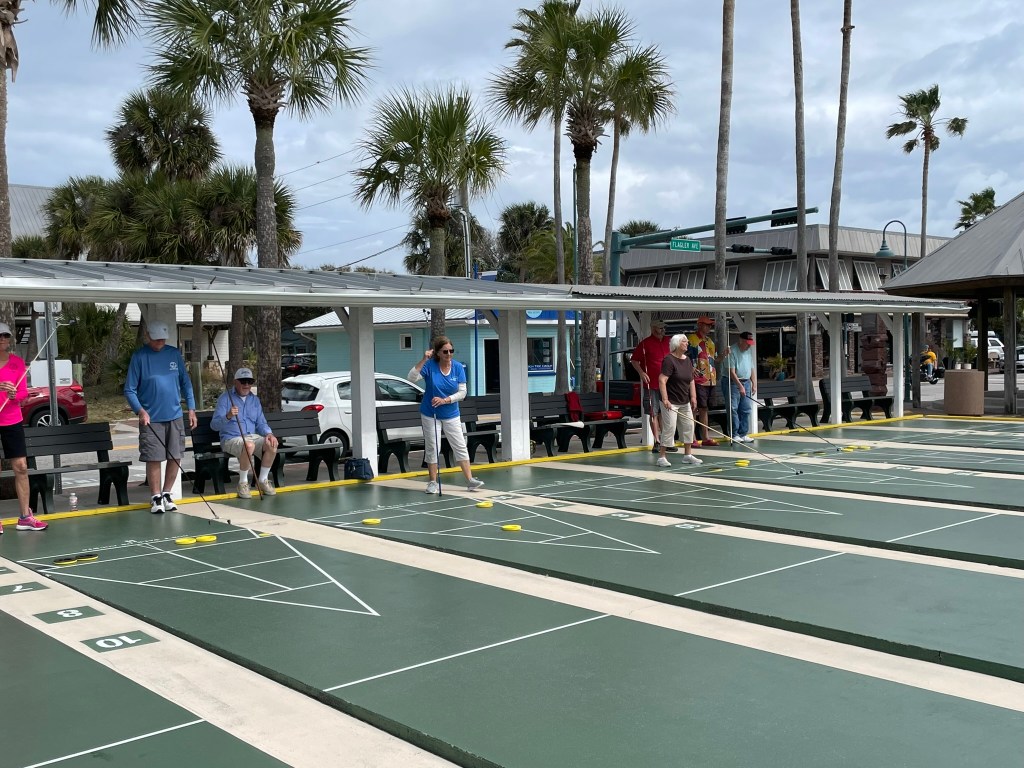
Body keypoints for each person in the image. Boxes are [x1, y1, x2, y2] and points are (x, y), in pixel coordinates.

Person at [124, 321, 197, 514]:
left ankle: (167, 494)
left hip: (174, 415)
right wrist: (140, 410)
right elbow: (129, 389)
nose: (160, 342)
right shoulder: (139, 357)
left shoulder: (174, 354)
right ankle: (155, 497)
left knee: (175, 455)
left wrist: (191, 408)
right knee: (154, 457)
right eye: (156, 339)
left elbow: (186, 383)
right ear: (148, 336)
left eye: (163, 339)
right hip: (151, 418)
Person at [408, 336, 484, 494]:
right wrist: (424, 359)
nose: (449, 354)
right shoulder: (430, 365)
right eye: (445, 351)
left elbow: (462, 392)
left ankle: (470, 480)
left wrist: (445, 400)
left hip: (451, 413)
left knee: (460, 445)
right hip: (431, 413)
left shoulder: (457, 367)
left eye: (451, 351)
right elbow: (411, 378)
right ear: (437, 353)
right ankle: (432, 482)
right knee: (433, 447)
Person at [0, 322, 47, 532]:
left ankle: (25, 517)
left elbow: (23, 393)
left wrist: (13, 395)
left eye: (5, 336)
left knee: (21, 466)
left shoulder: (17, 363)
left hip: (12, 420)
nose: (2, 339)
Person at [211, 367, 279, 499]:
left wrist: (269, 434)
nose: (246, 385)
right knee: (249, 445)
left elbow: (261, 423)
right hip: (230, 439)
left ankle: (263, 480)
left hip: (252, 437)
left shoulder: (255, 400)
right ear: (235, 382)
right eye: (243, 381)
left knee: (272, 443)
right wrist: (228, 416)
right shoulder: (225, 399)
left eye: (250, 381)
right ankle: (243, 483)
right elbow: (214, 426)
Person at [630, 319, 676, 453]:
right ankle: (657, 441)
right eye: (660, 328)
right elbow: (634, 360)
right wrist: (642, 373)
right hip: (652, 384)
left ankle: (666, 441)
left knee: (667, 413)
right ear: (653, 328)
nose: (663, 330)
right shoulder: (645, 343)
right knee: (653, 412)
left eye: (663, 328)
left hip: (668, 384)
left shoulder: (669, 341)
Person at [656, 334, 702, 468]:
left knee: (689, 426)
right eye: (684, 341)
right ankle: (662, 457)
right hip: (671, 401)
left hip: (684, 400)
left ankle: (688, 455)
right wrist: (665, 399)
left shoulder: (687, 360)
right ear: (677, 344)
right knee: (669, 428)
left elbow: (691, 380)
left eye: (687, 342)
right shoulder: (669, 360)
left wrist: (693, 397)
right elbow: (662, 380)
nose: (687, 343)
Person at [687, 315, 719, 446]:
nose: (709, 327)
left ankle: (705, 437)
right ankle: (692, 438)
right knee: (694, 408)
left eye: (710, 325)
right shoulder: (691, 339)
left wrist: (724, 354)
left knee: (704, 408)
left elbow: (715, 359)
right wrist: (690, 368)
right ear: (700, 325)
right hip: (698, 379)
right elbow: (683, 356)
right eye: (707, 325)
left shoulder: (710, 341)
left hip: (710, 379)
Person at [722, 330, 757, 443]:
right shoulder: (731, 351)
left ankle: (743, 433)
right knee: (733, 408)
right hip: (732, 382)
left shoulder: (748, 351)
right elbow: (731, 372)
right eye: (747, 343)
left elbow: (751, 368)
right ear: (741, 340)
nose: (749, 346)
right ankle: (734, 434)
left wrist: (754, 384)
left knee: (746, 408)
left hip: (746, 382)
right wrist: (740, 386)